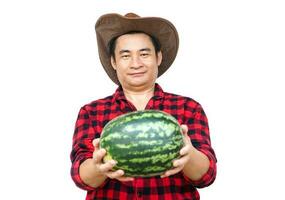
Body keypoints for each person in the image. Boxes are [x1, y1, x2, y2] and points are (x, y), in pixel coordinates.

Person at [70, 12, 217, 199]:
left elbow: (207, 177)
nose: (136, 63)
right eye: (125, 56)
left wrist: (189, 155)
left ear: (158, 57)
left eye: (144, 54)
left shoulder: (188, 107)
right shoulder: (91, 112)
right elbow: (80, 178)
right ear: (114, 62)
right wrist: (98, 167)